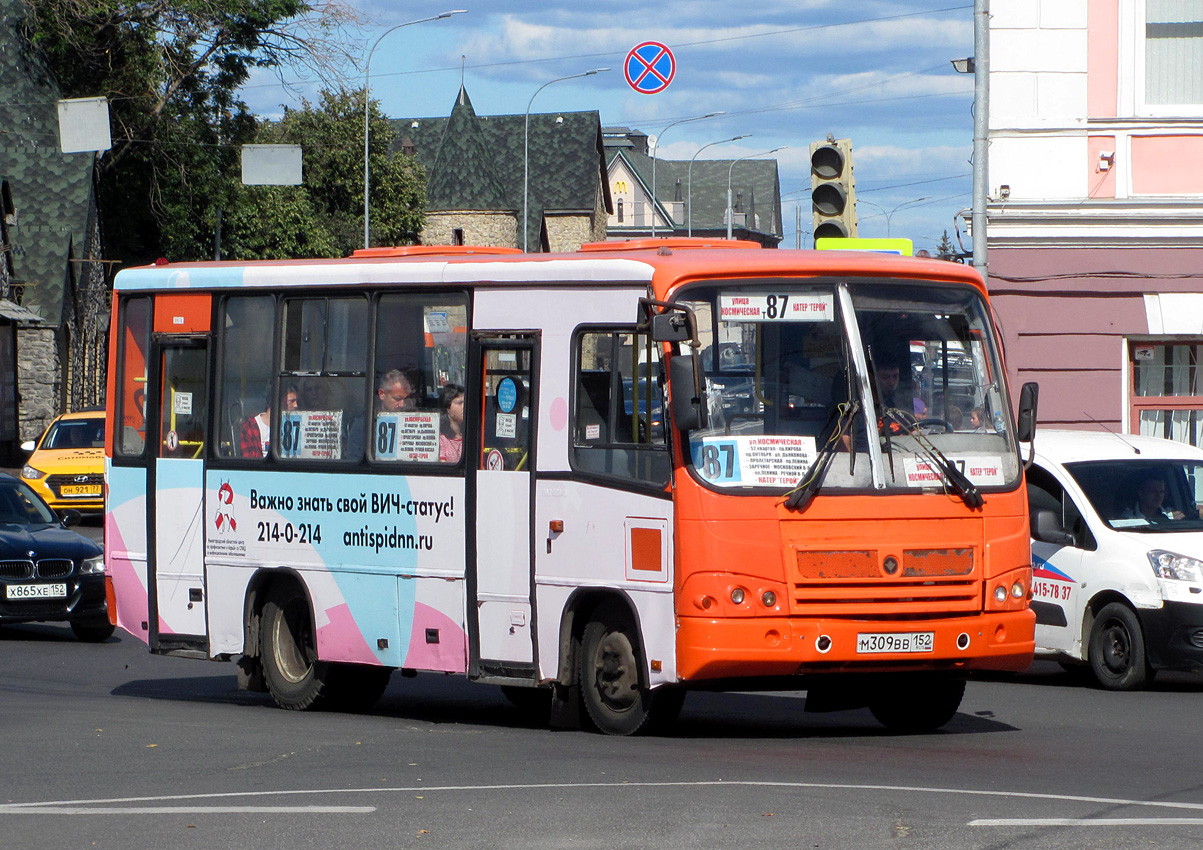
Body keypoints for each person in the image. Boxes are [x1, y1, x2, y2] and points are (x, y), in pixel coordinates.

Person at [438, 384, 465, 463]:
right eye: (459, 403)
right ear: (447, 408)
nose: (464, 406)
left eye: (466, 402)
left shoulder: (469, 435)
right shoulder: (441, 439)